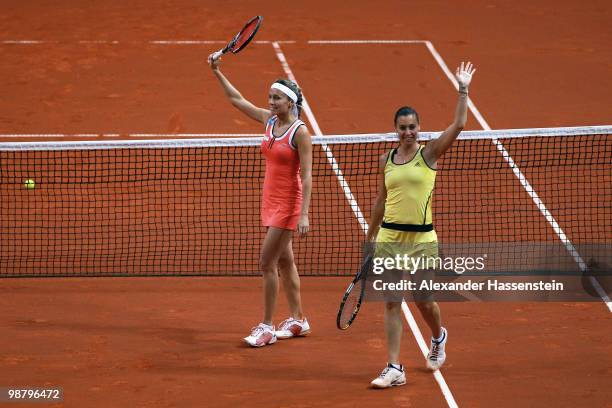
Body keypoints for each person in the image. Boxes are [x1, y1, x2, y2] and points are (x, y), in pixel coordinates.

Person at [366, 62, 476, 387]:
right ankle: (394, 367)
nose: (408, 132)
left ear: (419, 127)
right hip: (389, 235)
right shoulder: (385, 160)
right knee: (391, 301)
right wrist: (370, 236)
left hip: (422, 240)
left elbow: (458, 124)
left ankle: (438, 336)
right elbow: (380, 200)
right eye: (402, 127)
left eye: (412, 126)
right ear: (395, 130)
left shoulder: (429, 154)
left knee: (423, 299)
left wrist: (463, 89)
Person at [207, 53, 313, 347]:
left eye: (277, 98)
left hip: (289, 204)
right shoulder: (269, 121)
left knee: (267, 262)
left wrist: (303, 214)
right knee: (286, 261)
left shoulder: (300, 133)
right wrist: (217, 71)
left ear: (290, 103)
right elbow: (237, 100)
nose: (271, 102)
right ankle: (298, 319)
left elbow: (306, 177)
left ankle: (266, 327)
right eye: (269, 97)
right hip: (270, 199)